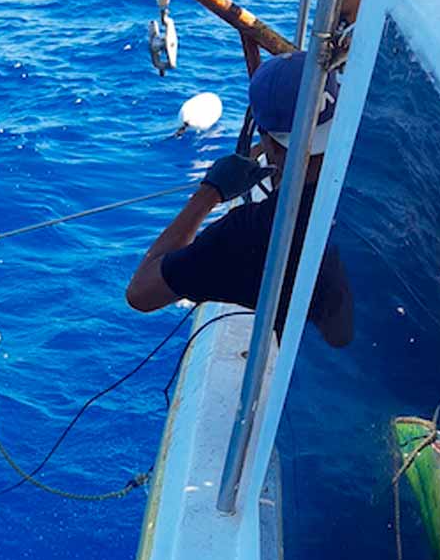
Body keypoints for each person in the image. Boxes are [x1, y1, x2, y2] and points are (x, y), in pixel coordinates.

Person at [125, 51, 354, 348]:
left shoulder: (253, 232)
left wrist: (207, 196)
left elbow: (142, 293)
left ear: (269, 143)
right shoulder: (377, 183)